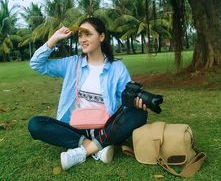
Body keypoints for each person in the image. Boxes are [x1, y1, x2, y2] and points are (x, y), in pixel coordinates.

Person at [28, 17, 148, 170]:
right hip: (77, 126)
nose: (82, 40)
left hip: (106, 125)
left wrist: (134, 102)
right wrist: (54, 38)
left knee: (139, 113)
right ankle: (95, 147)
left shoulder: (117, 67)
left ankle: (82, 152)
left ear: (102, 37)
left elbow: (126, 98)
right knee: (36, 124)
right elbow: (36, 64)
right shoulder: (72, 63)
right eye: (80, 36)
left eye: (88, 35)